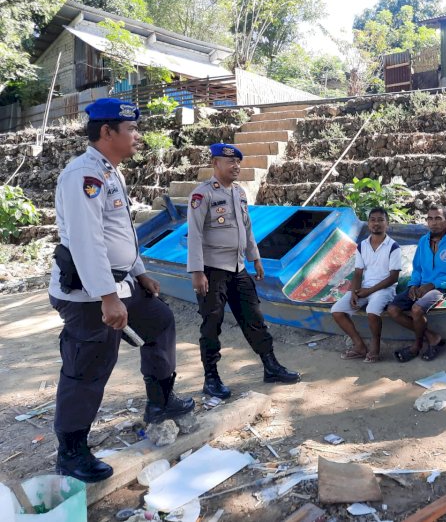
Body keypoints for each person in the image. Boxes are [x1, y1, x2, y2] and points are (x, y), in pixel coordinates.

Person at [49, 98, 195, 483]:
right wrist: (108, 297)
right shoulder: (83, 176)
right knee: (90, 366)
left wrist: (140, 272)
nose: (137, 136)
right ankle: (72, 451)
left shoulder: (110, 173)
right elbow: (87, 241)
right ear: (106, 132)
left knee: (160, 321)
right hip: (88, 294)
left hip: (119, 281)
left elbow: (120, 234)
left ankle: (160, 402)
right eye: (130, 129)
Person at [187, 143, 300, 399]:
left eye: (238, 162)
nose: (236, 166)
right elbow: (194, 234)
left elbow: (247, 229)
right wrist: (196, 271)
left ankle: (270, 366)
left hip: (238, 268)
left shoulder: (239, 193)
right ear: (215, 164)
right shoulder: (202, 195)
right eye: (230, 162)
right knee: (211, 323)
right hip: (212, 270)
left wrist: (255, 258)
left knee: (254, 317)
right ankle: (211, 377)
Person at [387, 205, 446, 362]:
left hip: (444, 287)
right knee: (393, 309)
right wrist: (413, 286)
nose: (433, 222)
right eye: (430, 218)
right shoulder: (424, 241)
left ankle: (417, 345)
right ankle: (433, 337)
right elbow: (417, 268)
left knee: (417, 309)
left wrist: (432, 285)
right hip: (422, 286)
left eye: (438, 218)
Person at [331, 207, 401, 362]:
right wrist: (354, 292)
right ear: (368, 224)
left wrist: (369, 291)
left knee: (372, 310)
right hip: (365, 288)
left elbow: (393, 278)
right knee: (337, 310)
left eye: (381, 220)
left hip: (384, 289)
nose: (376, 223)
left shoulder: (393, 247)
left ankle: (375, 345)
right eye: (373, 220)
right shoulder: (362, 245)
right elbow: (358, 273)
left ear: (387, 224)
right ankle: (359, 346)